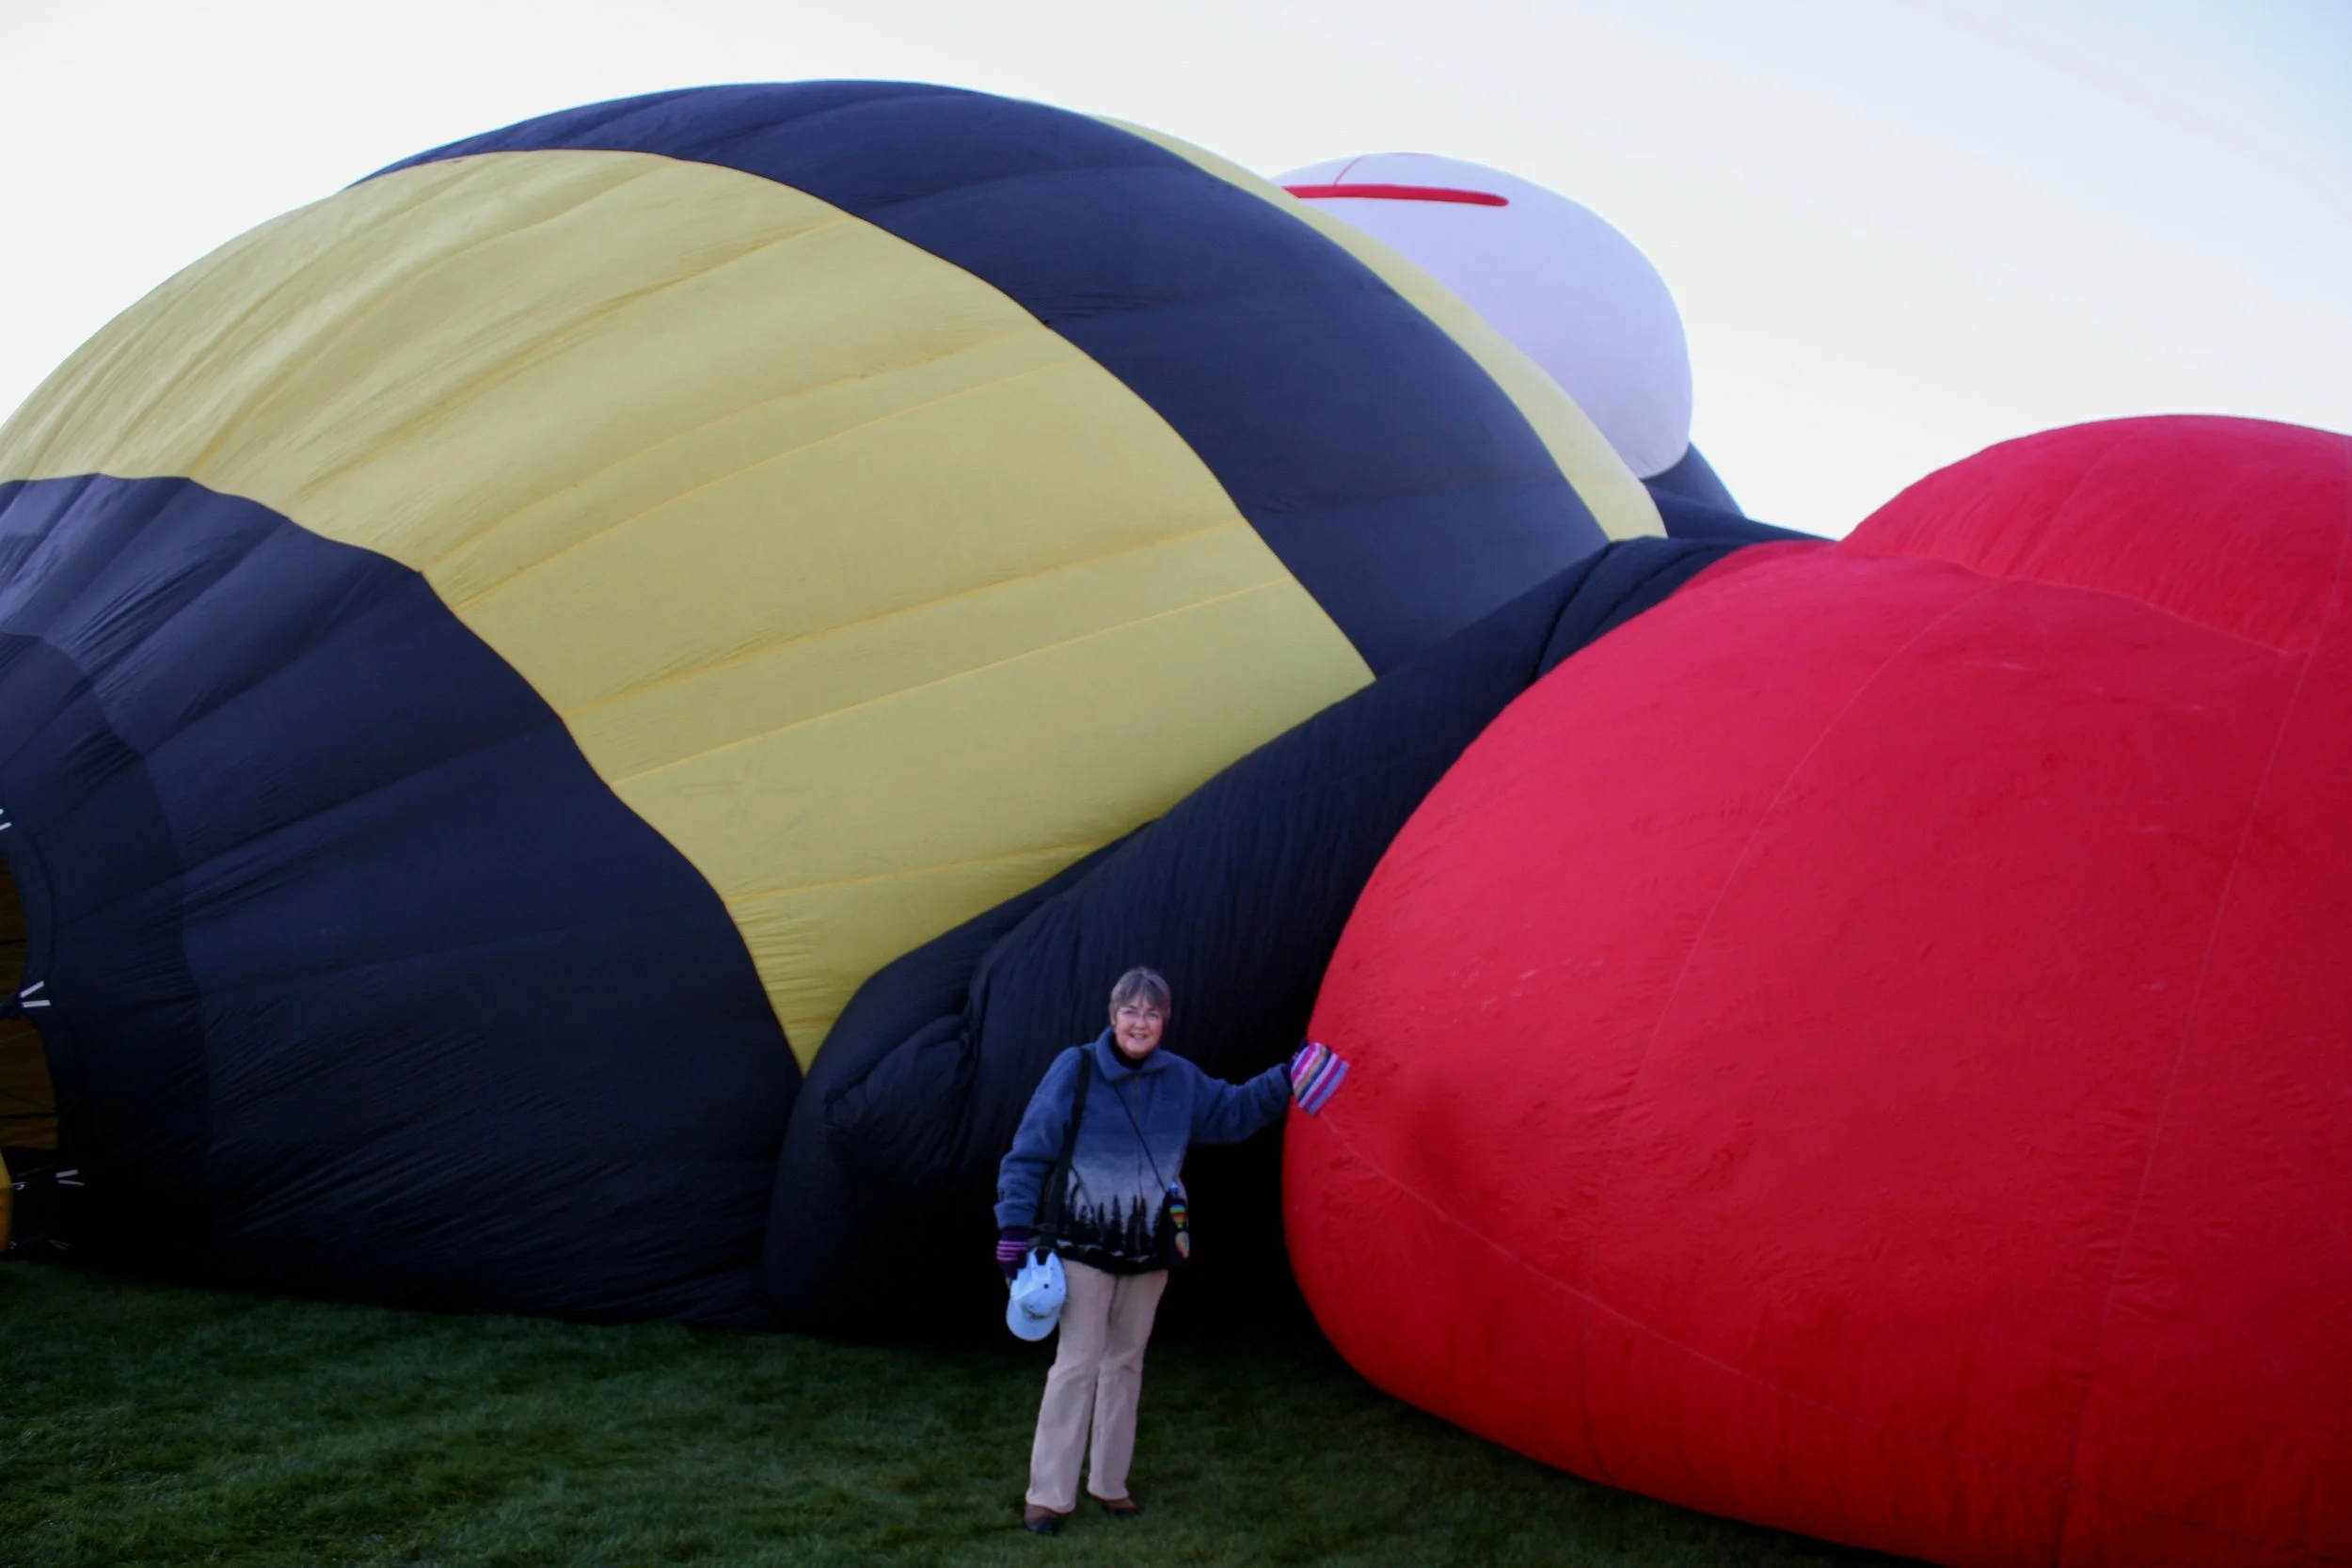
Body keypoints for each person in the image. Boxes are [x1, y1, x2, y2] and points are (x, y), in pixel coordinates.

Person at [994, 967, 1348, 1535]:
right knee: (1076, 1367)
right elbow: (1028, 1151)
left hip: (1149, 1253)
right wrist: (1013, 1225)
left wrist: (1287, 1077)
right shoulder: (1076, 1067)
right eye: (1131, 1011)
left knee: (1125, 1365)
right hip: (1083, 1249)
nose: (1140, 1022)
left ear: (1165, 1022)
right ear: (1113, 1017)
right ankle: (1049, 1497)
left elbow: (1232, 1114)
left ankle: (1110, 1485)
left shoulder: (1180, 1079)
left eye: (1152, 1013)